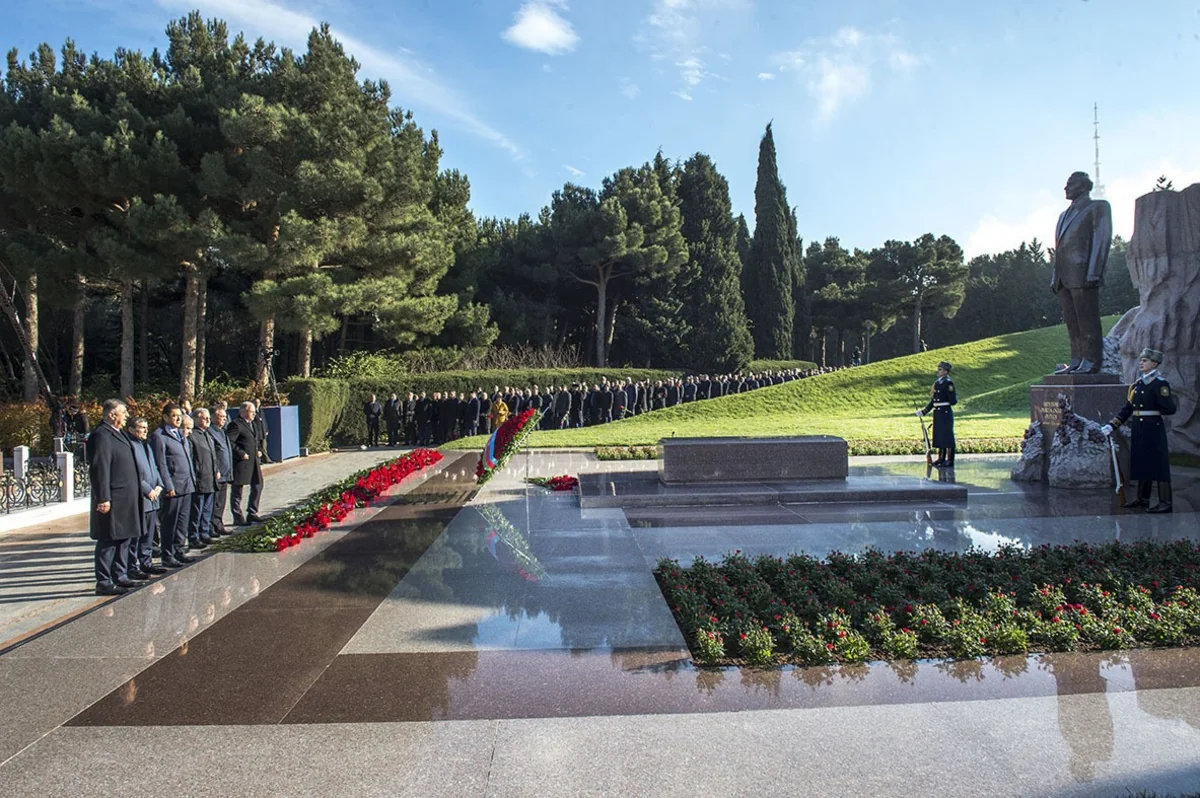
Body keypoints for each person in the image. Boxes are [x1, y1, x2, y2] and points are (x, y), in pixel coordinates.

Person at [1101, 348, 1177, 513]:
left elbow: (1170, 408)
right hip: (1139, 429)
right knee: (1143, 463)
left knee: (1159, 465)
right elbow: (1128, 408)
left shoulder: (1160, 384)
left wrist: (1161, 402)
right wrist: (1112, 425)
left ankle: (1166, 502)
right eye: (1141, 360)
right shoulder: (1139, 384)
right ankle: (1143, 500)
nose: (1141, 363)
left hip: (1153, 428)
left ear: (1154, 364)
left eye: (1145, 360)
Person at [1052, 171, 1112, 374]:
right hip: (1064, 277)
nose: (1066, 188)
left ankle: (1092, 361)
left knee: (1088, 321)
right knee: (1072, 323)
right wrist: (1055, 276)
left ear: (1084, 186)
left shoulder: (1098, 207)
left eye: (1071, 184)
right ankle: (1077, 359)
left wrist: (1095, 272)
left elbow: (1102, 240)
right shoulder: (1063, 216)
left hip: (1084, 273)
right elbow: (1059, 249)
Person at [87, 399, 143, 595]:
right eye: (123, 412)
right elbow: (99, 468)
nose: (127, 416)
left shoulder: (119, 433)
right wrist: (103, 497)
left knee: (124, 537)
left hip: (127, 497)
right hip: (113, 496)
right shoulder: (101, 435)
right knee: (109, 540)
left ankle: (120, 575)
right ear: (112, 415)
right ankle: (104, 581)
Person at [151, 403, 196, 567]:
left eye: (179, 416)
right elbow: (161, 463)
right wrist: (168, 485)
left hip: (186, 484)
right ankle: (167, 555)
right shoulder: (159, 436)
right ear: (165, 417)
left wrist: (192, 479)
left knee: (182, 522)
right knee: (170, 523)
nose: (178, 419)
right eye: (174, 416)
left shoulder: (180, 433)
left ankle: (179, 550)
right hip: (174, 486)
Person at [125, 416, 167, 578]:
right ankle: (132, 566)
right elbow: (133, 472)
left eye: (146, 427)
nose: (145, 430)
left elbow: (154, 467)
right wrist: (148, 490)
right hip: (141, 498)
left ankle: (146, 563)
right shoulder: (130, 446)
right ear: (131, 429)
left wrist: (159, 485)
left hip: (153, 498)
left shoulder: (146, 445)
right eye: (142, 427)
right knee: (136, 536)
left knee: (149, 535)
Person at [188, 408, 220, 547]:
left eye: (208, 418)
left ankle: (204, 532)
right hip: (200, 479)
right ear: (196, 418)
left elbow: (213, 455)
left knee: (207, 509)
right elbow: (191, 458)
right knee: (197, 511)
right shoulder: (192, 436)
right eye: (205, 418)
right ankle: (193, 536)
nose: (208, 420)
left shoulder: (207, 434)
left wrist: (216, 470)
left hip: (210, 478)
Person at [227, 401, 264, 525]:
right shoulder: (236, 425)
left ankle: (252, 512)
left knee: (258, 484)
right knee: (237, 490)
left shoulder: (252, 424)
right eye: (251, 412)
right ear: (243, 412)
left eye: (254, 412)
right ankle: (237, 516)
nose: (254, 414)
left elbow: (255, 440)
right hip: (241, 462)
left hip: (254, 461)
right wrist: (240, 453)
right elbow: (229, 442)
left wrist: (258, 450)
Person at [918, 361, 957, 467]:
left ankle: (950, 460)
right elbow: (933, 401)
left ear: (946, 372)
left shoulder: (948, 384)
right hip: (938, 413)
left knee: (947, 436)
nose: (938, 371)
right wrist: (924, 411)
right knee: (940, 436)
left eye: (940, 370)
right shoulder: (937, 383)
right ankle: (941, 458)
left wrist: (948, 400)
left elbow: (953, 401)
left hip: (945, 413)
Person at [210, 404, 234, 536]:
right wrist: (216, 469)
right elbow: (212, 454)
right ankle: (212, 526)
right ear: (213, 417)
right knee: (215, 502)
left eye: (225, 417)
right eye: (221, 417)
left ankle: (218, 523)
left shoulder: (223, 431)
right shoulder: (210, 432)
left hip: (226, 473)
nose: (224, 419)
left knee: (221, 502)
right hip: (217, 473)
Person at [252, 398, 271, 462]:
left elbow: (264, 421)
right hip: (257, 432)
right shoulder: (252, 411)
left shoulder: (261, 411)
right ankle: (259, 460)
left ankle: (266, 459)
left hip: (263, 432)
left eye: (258, 403)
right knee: (257, 447)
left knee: (264, 446)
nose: (257, 404)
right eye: (256, 403)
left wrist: (266, 430)